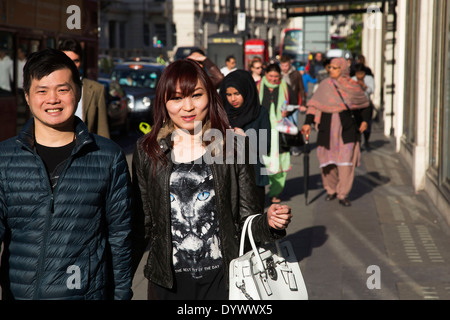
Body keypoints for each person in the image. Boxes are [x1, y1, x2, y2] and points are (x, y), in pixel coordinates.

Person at [131, 59, 292, 300]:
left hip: (225, 281)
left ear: (210, 96)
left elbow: (247, 220)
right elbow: (141, 225)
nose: (188, 107)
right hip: (167, 284)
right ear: (164, 102)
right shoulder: (148, 151)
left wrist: (269, 223)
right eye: (176, 98)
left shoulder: (234, 147)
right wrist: (119, 282)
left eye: (196, 95)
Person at [0, 48, 133, 299]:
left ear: (79, 92)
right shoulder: (5, 158)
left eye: (63, 89)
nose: (53, 99)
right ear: (27, 96)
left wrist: (122, 294)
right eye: (42, 91)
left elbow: (120, 237)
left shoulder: (107, 156)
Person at [301, 57, 371, 207]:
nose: (331, 70)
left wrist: (364, 121)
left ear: (343, 69)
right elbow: (313, 105)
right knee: (328, 164)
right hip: (327, 130)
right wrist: (307, 123)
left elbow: (365, 105)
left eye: (335, 68)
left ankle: (343, 194)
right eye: (330, 67)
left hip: (348, 130)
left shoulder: (353, 86)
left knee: (346, 164)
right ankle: (331, 189)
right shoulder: (324, 85)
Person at [219, 69, 271, 208]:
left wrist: (245, 139)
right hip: (227, 178)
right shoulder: (221, 114)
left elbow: (265, 147)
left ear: (247, 92)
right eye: (228, 94)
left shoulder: (260, 113)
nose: (233, 99)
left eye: (237, 93)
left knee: (253, 221)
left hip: (253, 177)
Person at [257, 63, 296, 204]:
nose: (274, 79)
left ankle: (275, 192)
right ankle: (260, 192)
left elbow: (294, 103)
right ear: (265, 74)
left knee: (281, 161)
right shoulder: (257, 86)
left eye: (276, 76)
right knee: (262, 162)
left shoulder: (285, 87)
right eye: (271, 76)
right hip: (262, 130)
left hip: (280, 131)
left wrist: (288, 111)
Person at [58, 39, 110, 138]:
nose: (71, 65)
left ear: (81, 62)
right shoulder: (49, 89)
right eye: (66, 60)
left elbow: (103, 130)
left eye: (75, 61)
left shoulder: (96, 89)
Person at [280, 55, 306, 156]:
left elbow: (302, 89)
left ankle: (294, 147)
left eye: (286, 66)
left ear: (289, 64)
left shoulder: (296, 74)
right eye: (283, 66)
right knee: (281, 126)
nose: (284, 68)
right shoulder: (278, 75)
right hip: (281, 105)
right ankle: (284, 146)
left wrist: (303, 103)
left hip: (293, 104)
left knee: (293, 125)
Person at [352, 63, 375, 150]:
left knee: (367, 124)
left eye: (361, 73)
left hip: (366, 105)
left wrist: (364, 85)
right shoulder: (352, 80)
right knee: (357, 124)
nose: (359, 76)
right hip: (356, 105)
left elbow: (371, 90)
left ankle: (367, 140)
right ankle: (358, 142)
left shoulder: (369, 79)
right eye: (357, 73)